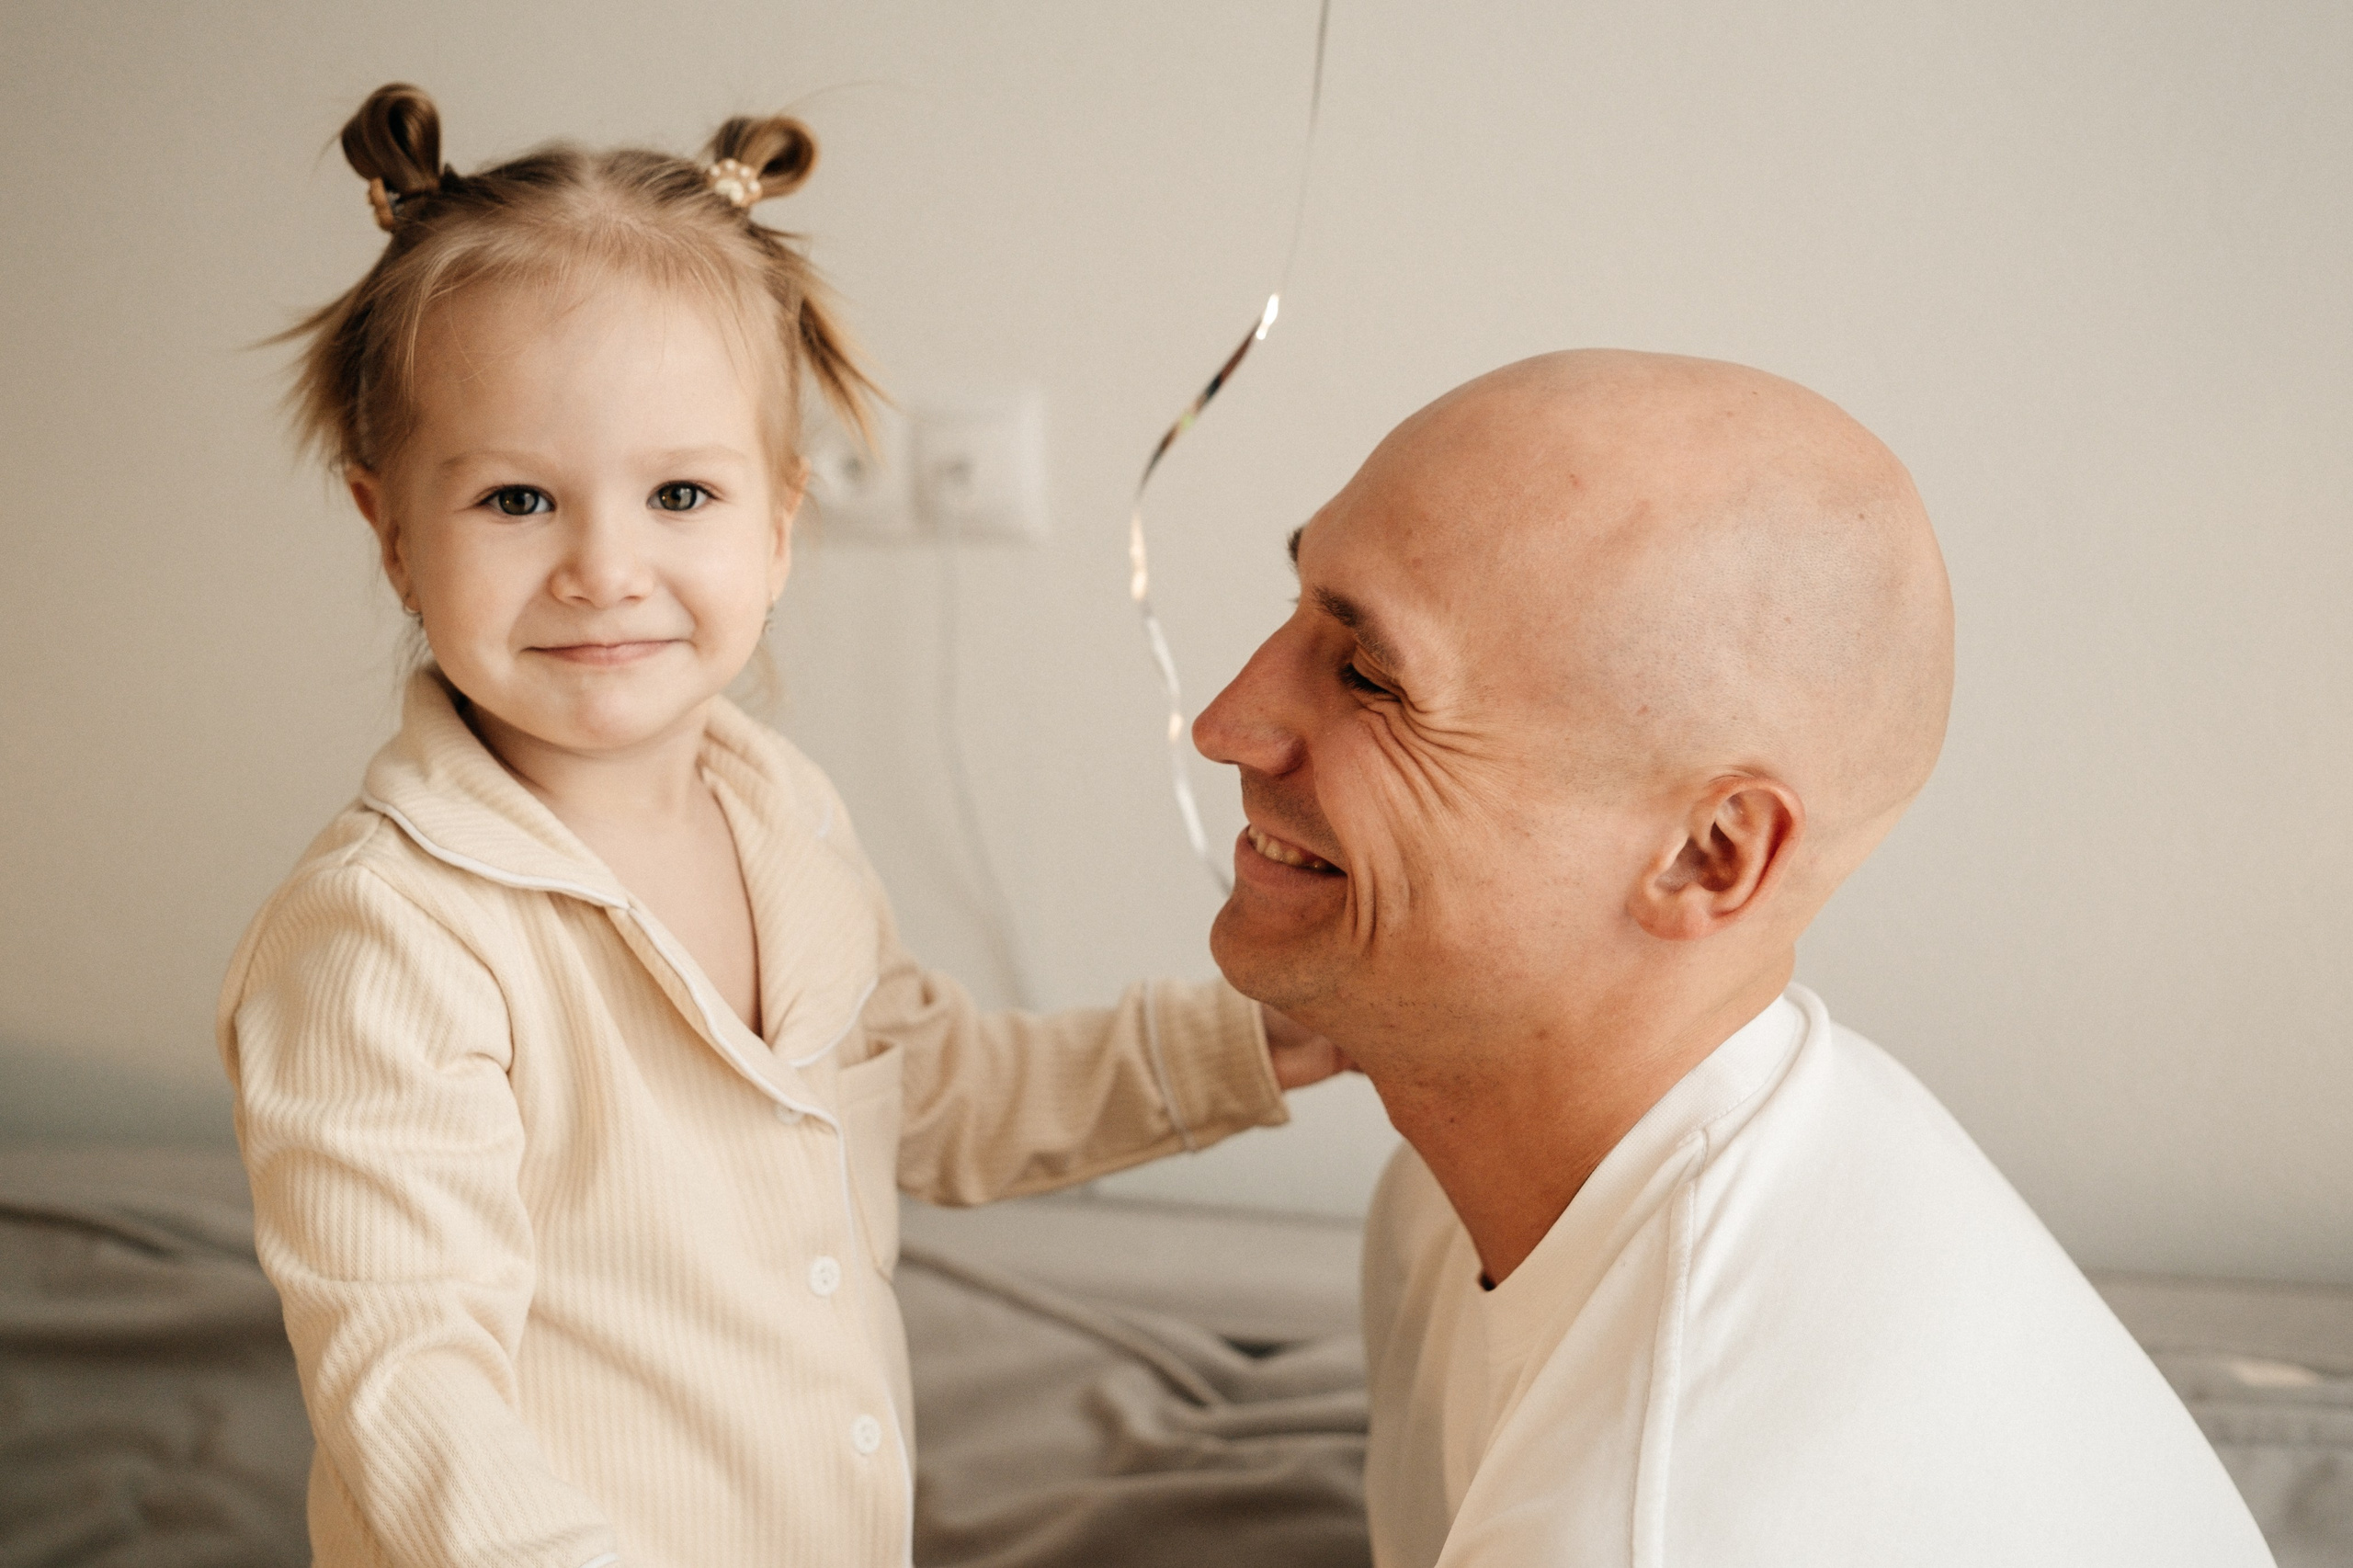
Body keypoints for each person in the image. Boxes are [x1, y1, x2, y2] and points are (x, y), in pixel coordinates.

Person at [217, 85, 1339, 1568]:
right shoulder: (385, 935)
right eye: (516, 500)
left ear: (781, 523)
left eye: (680, 491)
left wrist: (1261, 1038)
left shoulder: (783, 814)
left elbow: (930, 1089)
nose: (605, 567)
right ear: (392, 534)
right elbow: (414, 1398)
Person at [1192, 350, 2275, 1566]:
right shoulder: (1454, 1213)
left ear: (1708, 856)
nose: (1224, 721)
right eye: (1296, 604)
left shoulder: (1649, 1519)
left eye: (1369, 676)